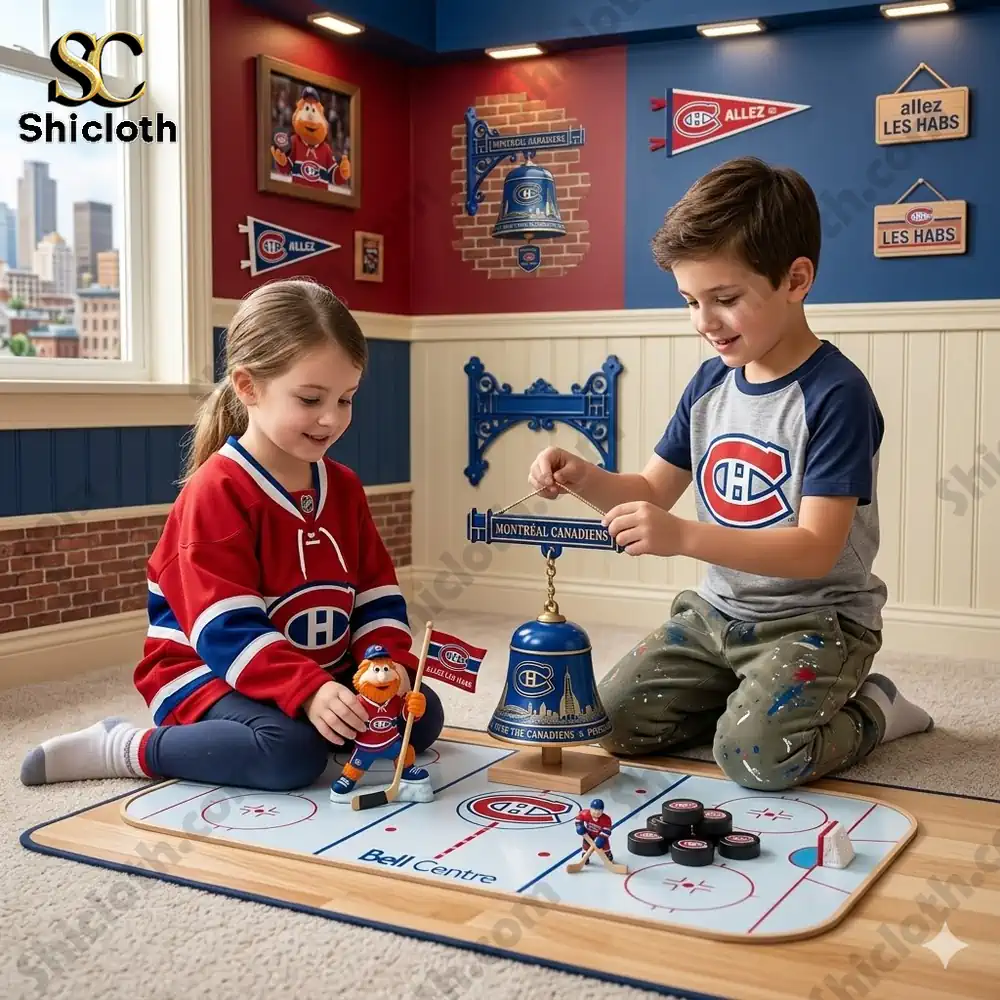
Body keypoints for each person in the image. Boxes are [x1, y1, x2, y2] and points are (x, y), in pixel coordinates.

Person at [528, 156, 932, 792]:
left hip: (816, 622)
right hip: (714, 615)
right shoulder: (711, 384)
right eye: (690, 301)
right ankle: (745, 697)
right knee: (608, 724)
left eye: (725, 299)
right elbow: (649, 491)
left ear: (795, 279)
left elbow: (815, 549)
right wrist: (582, 476)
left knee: (753, 759)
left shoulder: (837, 395)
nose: (704, 322)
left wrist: (684, 537)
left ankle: (876, 708)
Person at [21, 278, 443, 791]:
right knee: (289, 754)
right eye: (310, 398)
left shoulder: (345, 488)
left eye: (346, 399)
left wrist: (386, 665)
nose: (331, 418)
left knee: (421, 714)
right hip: (209, 670)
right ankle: (127, 746)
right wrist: (309, 691)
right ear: (248, 387)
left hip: (314, 668)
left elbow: (376, 596)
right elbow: (226, 630)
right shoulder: (216, 491)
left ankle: (326, 716)